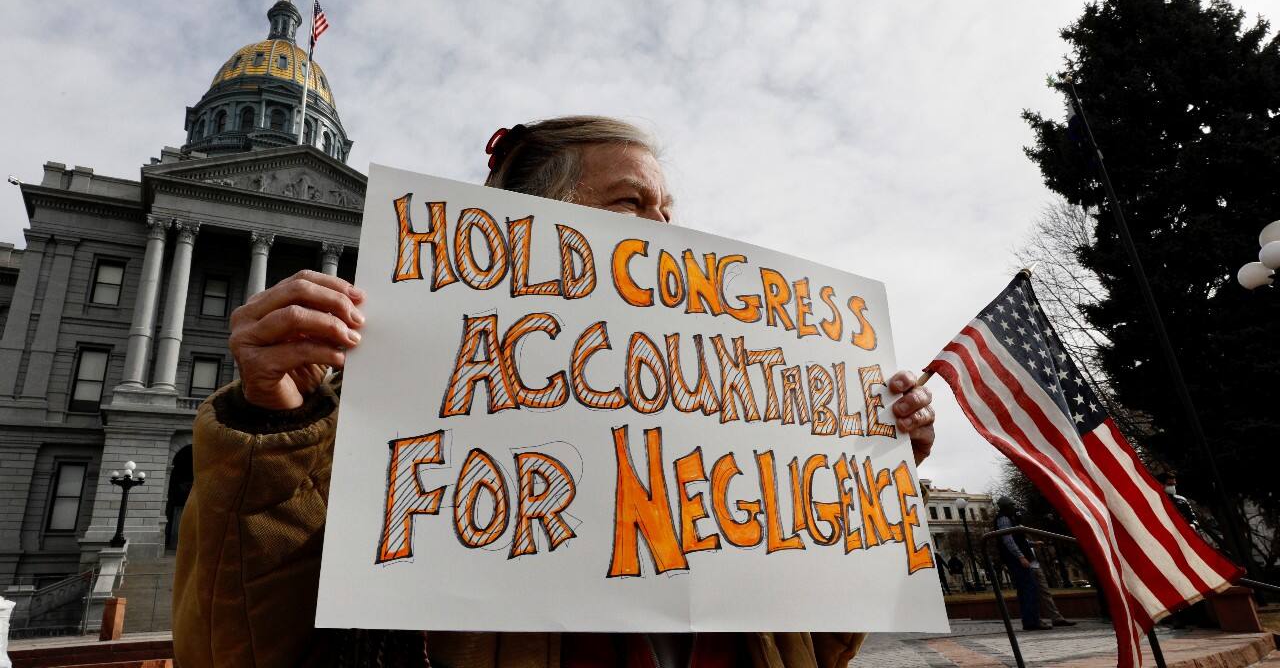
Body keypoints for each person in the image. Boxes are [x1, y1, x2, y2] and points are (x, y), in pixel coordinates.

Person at [172, 116, 942, 668]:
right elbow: (234, 648)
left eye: (670, 211)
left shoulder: (728, 430)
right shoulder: (384, 419)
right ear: (521, 226)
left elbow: (816, 649)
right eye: (633, 206)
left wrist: (872, 474)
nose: (668, 232)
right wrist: (273, 431)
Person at [994, 497, 1048, 631]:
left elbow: (1017, 540)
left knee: (1027, 588)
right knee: (1029, 588)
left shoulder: (1010, 518)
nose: (1014, 507)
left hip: (1017, 557)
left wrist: (1032, 544)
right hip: (1016, 559)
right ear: (1006, 506)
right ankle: (1031, 621)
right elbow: (1008, 540)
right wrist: (1021, 556)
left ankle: (1031, 620)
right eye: (1012, 505)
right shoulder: (1004, 518)